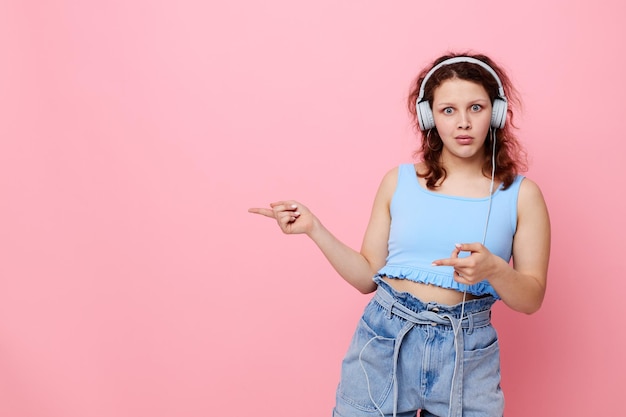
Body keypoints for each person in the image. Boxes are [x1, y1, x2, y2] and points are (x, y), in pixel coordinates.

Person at [248, 52, 550, 417]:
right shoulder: (398, 182)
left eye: (476, 107)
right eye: (448, 110)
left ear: (496, 113)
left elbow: (531, 299)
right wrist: (314, 228)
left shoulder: (522, 195)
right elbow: (366, 277)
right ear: (429, 117)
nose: (464, 122)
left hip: (467, 352)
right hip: (384, 341)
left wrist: (495, 270)